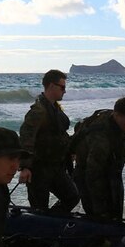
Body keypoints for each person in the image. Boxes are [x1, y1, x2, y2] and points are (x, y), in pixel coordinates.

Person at [18, 69, 79, 213]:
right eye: (62, 87)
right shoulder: (38, 111)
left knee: (72, 196)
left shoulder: (55, 108)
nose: (64, 91)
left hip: (56, 167)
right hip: (38, 170)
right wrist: (25, 167)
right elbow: (26, 138)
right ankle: (41, 232)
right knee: (39, 209)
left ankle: (55, 222)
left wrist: (71, 151)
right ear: (51, 86)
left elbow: (59, 135)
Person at [70, 96, 125, 221]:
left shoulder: (118, 123)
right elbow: (92, 174)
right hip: (87, 174)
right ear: (117, 115)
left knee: (116, 213)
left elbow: (121, 140)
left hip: (110, 171)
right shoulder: (100, 137)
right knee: (99, 216)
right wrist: (100, 206)